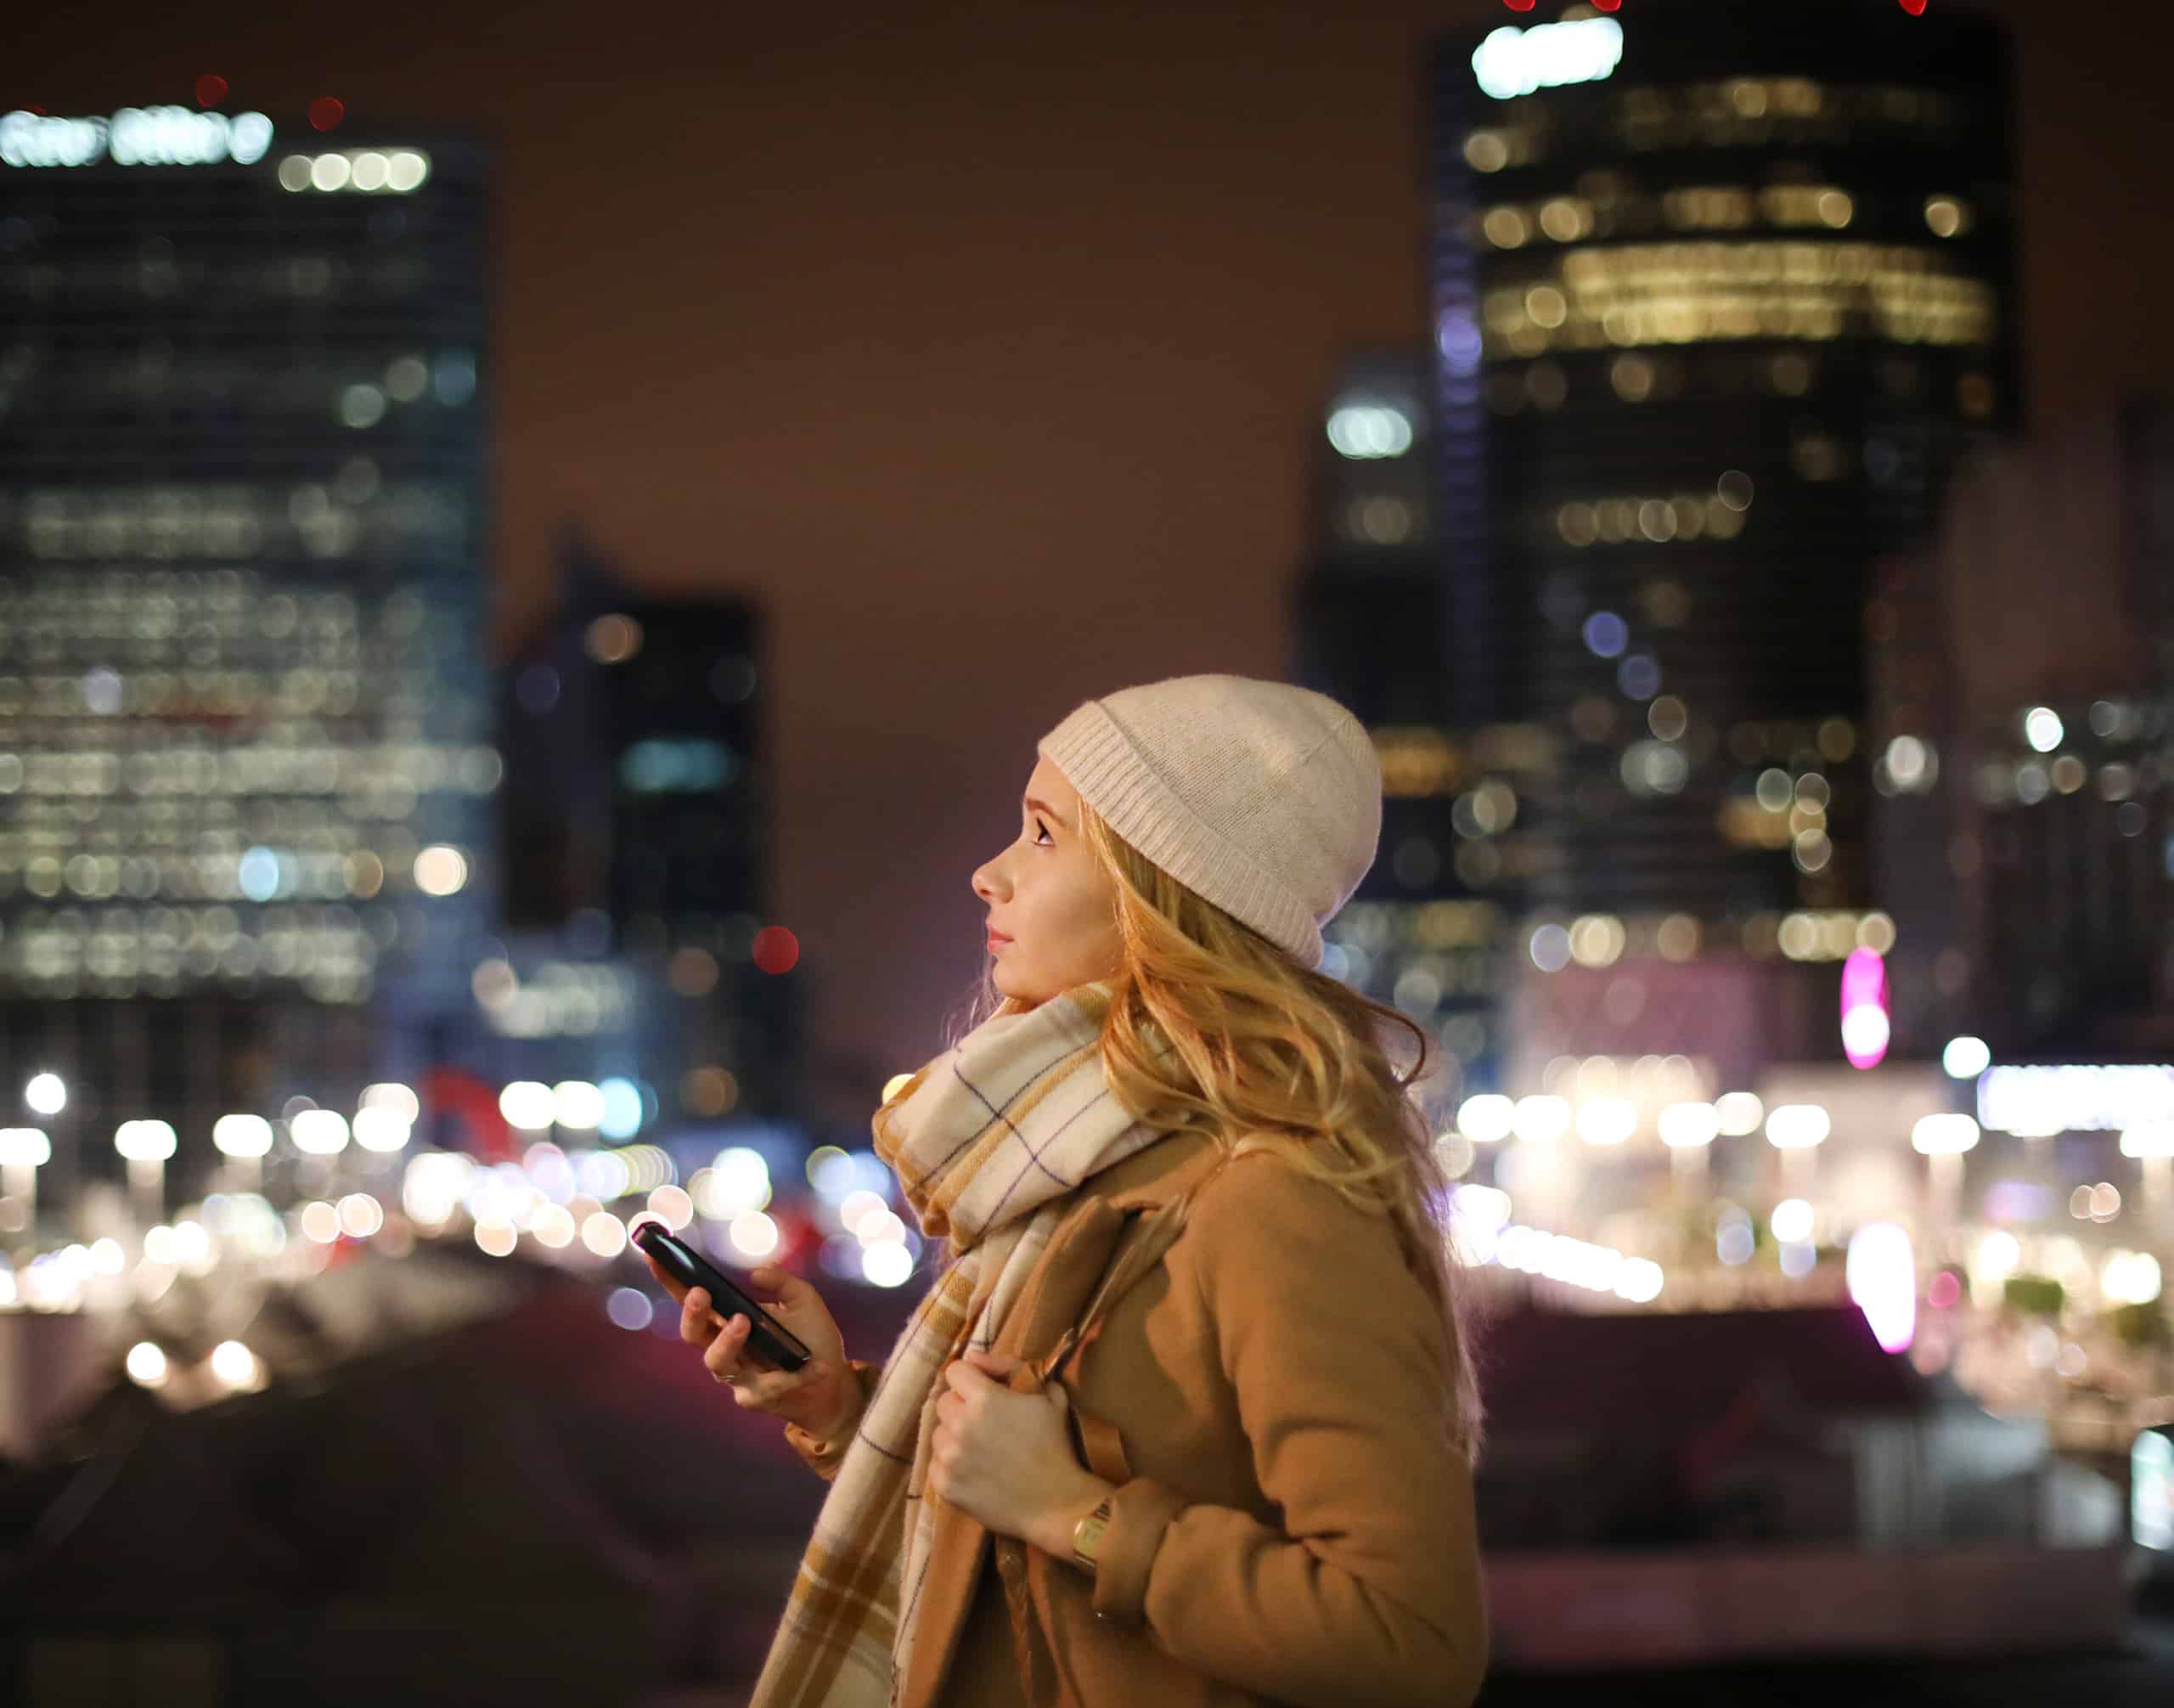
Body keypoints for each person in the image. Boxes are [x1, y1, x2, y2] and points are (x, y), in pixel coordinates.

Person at [643, 673, 1487, 1707]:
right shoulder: (1097, 1158)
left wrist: (1076, 1515)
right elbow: (1009, 1505)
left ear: (1161, 892)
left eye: (1043, 835)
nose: (986, 875)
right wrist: (836, 1404)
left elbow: (1410, 1637)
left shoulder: (1272, 1195)